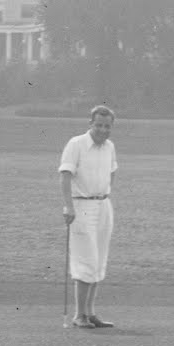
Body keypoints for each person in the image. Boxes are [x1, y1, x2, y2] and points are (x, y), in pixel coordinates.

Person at [59, 105, 118, 328]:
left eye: (107, 126)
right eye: (99, 125)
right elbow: (65, 176)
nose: (103, 130)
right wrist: (68, 207)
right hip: (81, 206)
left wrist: (104, 194)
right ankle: (79, 315)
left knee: (99, 259)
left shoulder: (110, 146)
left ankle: (91, 313)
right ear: (90, 124)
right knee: (86, 259)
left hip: (103, 205)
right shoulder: (76, 144)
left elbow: (112, 171)